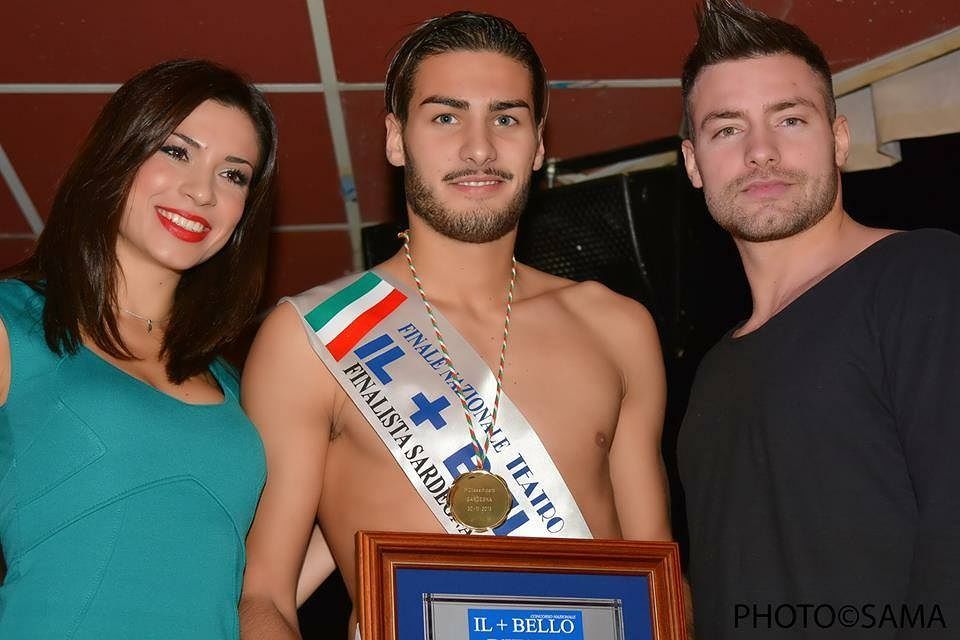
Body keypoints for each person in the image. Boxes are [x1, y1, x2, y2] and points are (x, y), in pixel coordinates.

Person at [239, 11, 671, 639]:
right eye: (446, 117)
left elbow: (659, 586)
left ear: (539, 144)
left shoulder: (619, 329)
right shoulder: (309, 337)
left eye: (506, 118)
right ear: (396, 139)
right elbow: (262, 598)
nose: (479, 148)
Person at [677, 1, 960, 637]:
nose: (761, 152)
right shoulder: (713, 374)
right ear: (693, 163)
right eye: (727, 129)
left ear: (838, 138)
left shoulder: (922, 278)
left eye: (790, 120)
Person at [0, 59, 278, 638]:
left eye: (234, 175)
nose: (202, 191)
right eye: (176, 151)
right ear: (118, 154)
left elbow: (259, 583)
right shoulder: (12, 319)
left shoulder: (236, 387)